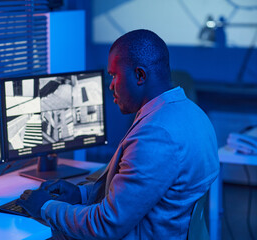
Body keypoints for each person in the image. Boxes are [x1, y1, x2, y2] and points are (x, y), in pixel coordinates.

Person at [16, 29, 220, 239]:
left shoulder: (155, 135)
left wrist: (45, 207)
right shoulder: (193, 114)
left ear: (140, 75)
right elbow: (138, 196)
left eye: (114, 75)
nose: (110, 85)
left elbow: (106, 225)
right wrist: (81, 193)